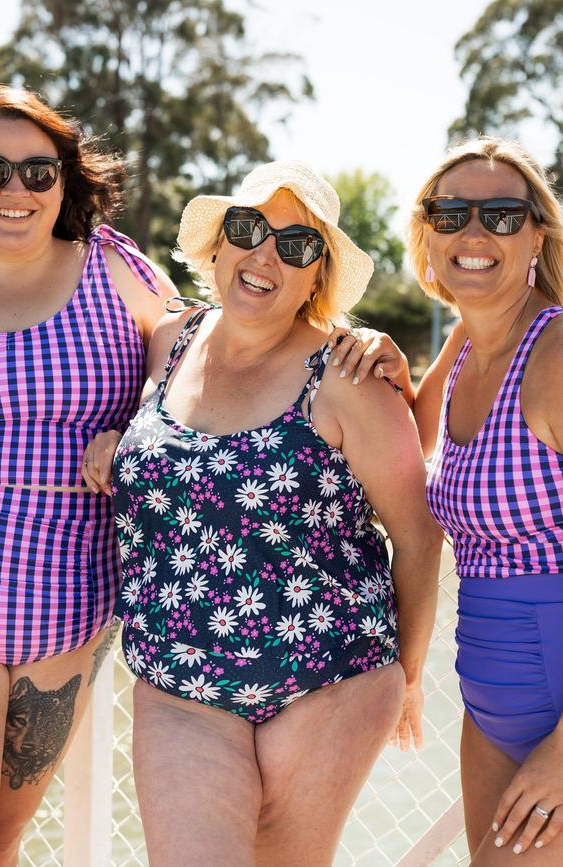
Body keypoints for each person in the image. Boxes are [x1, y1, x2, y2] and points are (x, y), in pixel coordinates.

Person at [83, 160, 442, 865]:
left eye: (297, 245)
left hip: (328, 678)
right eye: (248, 228)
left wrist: (410, 673)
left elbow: (419, 534)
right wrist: (115, 438)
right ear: (218, 243)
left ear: (318, 276)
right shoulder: (169, 342)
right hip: (181, 683)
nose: (265, 256)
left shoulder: (350, 379)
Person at [0, 85, 174, 866]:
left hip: (72, 600)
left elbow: (188, 343)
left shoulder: (115, 267)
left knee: (2, 837)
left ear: (66, 179)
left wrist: (137, 420)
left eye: (38, 169)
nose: (15, 189)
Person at [332, 137, 563, 864]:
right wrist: (388, 363)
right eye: (450, 212)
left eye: (500, 213)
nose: (473, 232)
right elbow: (405, 442)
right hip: (492, 687)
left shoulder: (555, 359)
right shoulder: (465, 341)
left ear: (537, 235)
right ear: (425, 234)